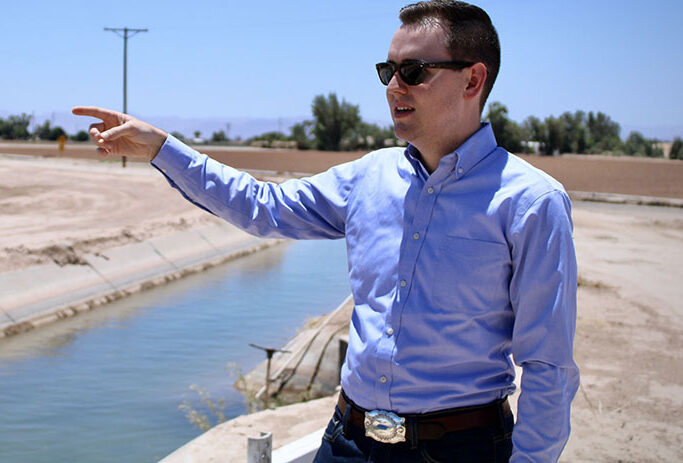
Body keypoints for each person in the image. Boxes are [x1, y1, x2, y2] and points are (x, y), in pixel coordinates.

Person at [73, 1, 578, 461]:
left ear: (473, 81)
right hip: (348, 441)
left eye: (413, 71)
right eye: (387, 71)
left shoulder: (531, 203)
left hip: (461, 449)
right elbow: (262, 206)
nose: (393, 87)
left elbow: (548, 366)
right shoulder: (368, 177)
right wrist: (162, 148)